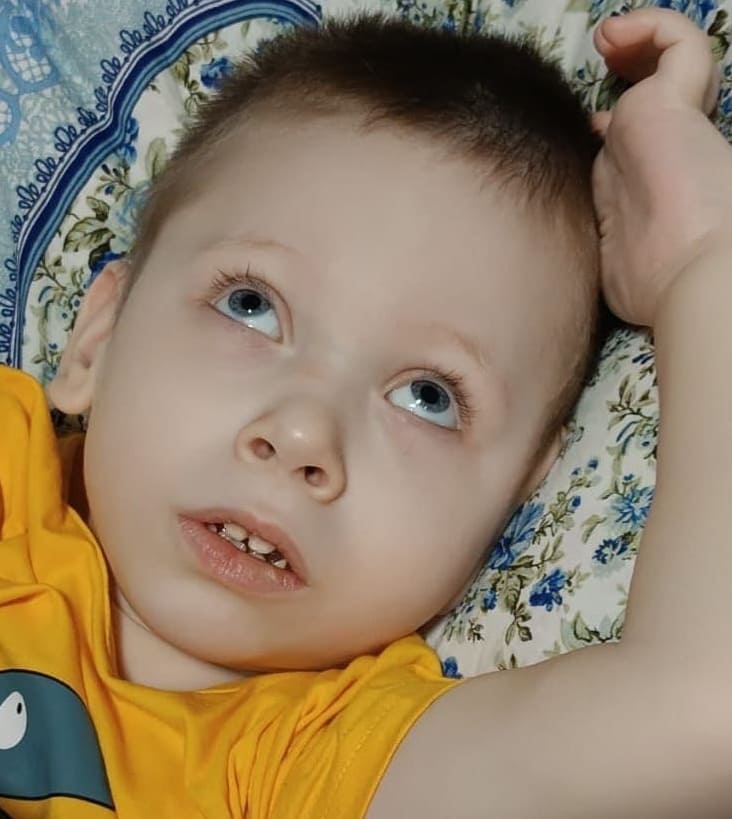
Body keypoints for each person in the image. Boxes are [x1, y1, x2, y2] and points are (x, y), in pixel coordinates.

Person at [0, 6, 729, 817]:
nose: (302, 432)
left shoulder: (322, 762)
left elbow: (704, 717)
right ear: (98, 336)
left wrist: (705, 260)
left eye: (428, 397)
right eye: (250, 305)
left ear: (517, 495)